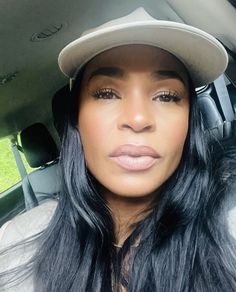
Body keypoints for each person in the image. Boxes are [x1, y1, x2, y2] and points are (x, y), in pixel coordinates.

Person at [1, 7, 236, 292]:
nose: (137, 119)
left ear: (189, 122)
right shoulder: (15, 247)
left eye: (167, 96)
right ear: (77, 121)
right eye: (106, 93)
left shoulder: (228, 224)